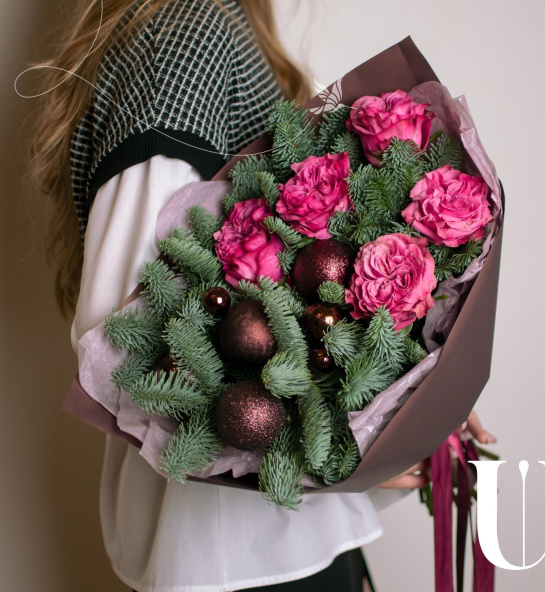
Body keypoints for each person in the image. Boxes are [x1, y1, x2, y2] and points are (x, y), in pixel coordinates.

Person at [29, 1, 496, 590]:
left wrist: (410, 395)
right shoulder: (184, 38)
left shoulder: (210, 28)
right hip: (235, 554)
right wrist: (352, 443)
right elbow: (129, 342)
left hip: (276, 540)